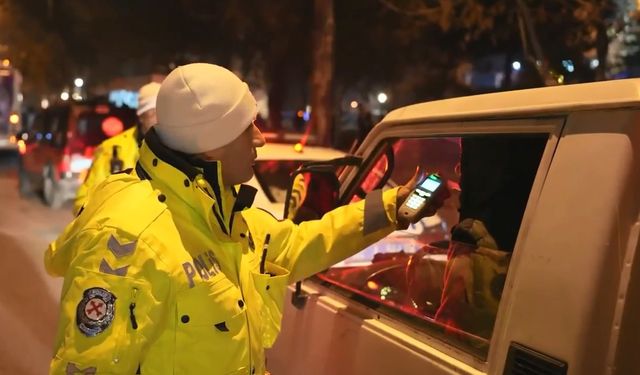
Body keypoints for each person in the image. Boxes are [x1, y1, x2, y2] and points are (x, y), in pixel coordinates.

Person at [45, 63, 449, 375]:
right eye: (246, 127)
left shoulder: (221, 214)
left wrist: (392, 205)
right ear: (209, 147)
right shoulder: (128, 235)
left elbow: (302, 243)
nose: (259, 138)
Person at [72, 82, 161, 215]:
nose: (159, 118)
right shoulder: (112, 150)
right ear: (141, 116)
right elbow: (84, 202)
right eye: (153, 112)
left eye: (165, 112)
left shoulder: (181, 149)